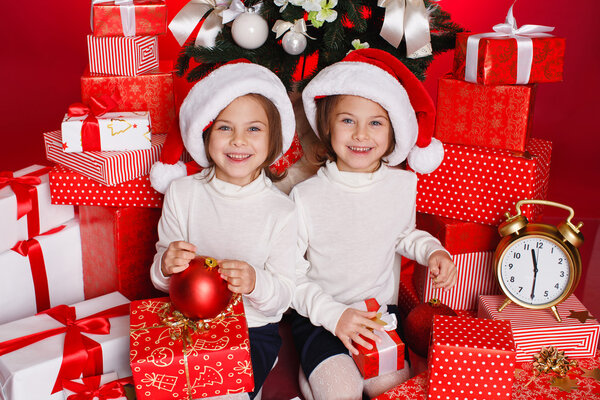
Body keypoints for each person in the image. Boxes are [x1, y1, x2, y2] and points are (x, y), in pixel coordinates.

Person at [289, 48, 458, 400]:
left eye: (375, 122)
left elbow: (403, 234)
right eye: (347, 120)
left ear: (394, 129)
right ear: (327, 126)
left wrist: (433, 250)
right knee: (342, 392)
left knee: (390, 389)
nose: (361, 134)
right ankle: (315, 373)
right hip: (322, 316)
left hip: (378, 313)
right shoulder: (307, 195)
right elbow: (290, 272)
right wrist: (332, 315)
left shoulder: (400, 185)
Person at [148, 60, 298, 400]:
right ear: (206, 134)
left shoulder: (281, 211)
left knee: (219, 394)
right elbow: (158, 280)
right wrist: (165, 265)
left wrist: (255, 282)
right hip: (185, 322)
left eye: (254, 129)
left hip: (251, 331)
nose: (238, 141)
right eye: (225, 128)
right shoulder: (183, 193)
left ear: (274, 138)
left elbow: (284, 296)